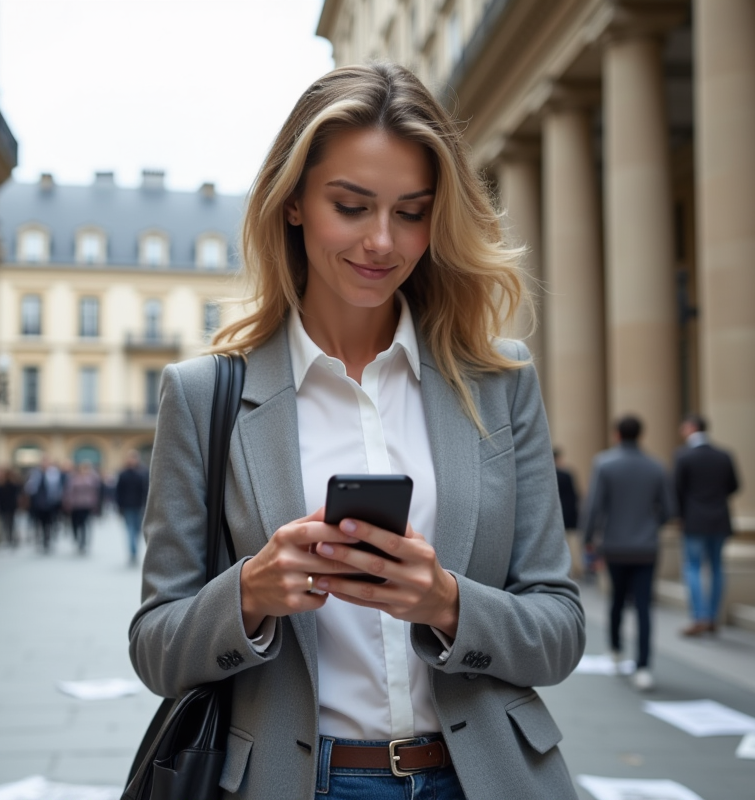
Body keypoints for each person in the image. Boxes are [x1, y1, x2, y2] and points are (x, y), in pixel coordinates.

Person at [128, 63, 584, 799]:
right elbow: (155, 648)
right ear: (296, 202)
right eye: (352, 205)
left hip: (482, 779)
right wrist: (249, 592)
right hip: (296, 779)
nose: (382, 241)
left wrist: (445, 602)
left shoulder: (499, 380)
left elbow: (559, 629)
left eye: (411, 212)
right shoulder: (206, 393)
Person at [583, 415, 671, 691]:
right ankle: (643, 666)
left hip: (615, 545)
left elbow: (594, 505)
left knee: (617, 600)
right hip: (646, 547)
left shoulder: (605, 464)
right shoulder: (656, 467)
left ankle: (616, 650)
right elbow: (669, 509)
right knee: (644, 606)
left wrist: (588, 539)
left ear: (616, 434)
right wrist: (650, 525)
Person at [673, 414, 739, 637]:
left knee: (692, 567)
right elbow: (734, 486)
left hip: (694, 520)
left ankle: (699, 616)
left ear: (691, 428)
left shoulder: (683, 456)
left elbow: (677, 490)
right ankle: (712, 617)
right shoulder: (723, 455)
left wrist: (681, 515)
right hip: (719, 518)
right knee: (717, 567)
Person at [113, 450, 148, 565]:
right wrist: (119, 507)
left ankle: (134, 551)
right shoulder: (123, 474)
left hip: (139, 506)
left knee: (137, 530)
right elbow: (118, 492)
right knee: (130, 530)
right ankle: (133, 553)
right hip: (127, 506)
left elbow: (146, 490)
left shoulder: (143, 473)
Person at [554, 448, 584, 581]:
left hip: (555, 517)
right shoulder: (566, 475)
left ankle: (561, 570)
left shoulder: (549, 475)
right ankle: (573, 570)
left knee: (558, 545)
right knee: (571, 546)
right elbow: (575, 496)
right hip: (569, 516)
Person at [24, 457, 64, 552]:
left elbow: (58, 488)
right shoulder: (35, 473)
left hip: (50, 502)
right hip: (38, 502)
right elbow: (29, 487)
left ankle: (47, 539)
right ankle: (41, 539)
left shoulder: (54, 473)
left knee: (49, 522)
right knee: (39, 522)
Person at [63, 460, 101, 554]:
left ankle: (83, 542)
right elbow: (69, 491)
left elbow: (95, 492)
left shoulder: (92, 478)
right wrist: (68, 502)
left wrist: (95, 504)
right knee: (76, 523)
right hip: (76, 504)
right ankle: (77, 537)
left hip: (87, 505)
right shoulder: (73, 478)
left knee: (85, 524)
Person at [0, 467, 22, 548]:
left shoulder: (9, 484)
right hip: (6, 506)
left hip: (8, 506)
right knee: (9, 523)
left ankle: (10, 538)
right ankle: (10, 538)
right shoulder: (2, 484)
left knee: (9, 523)